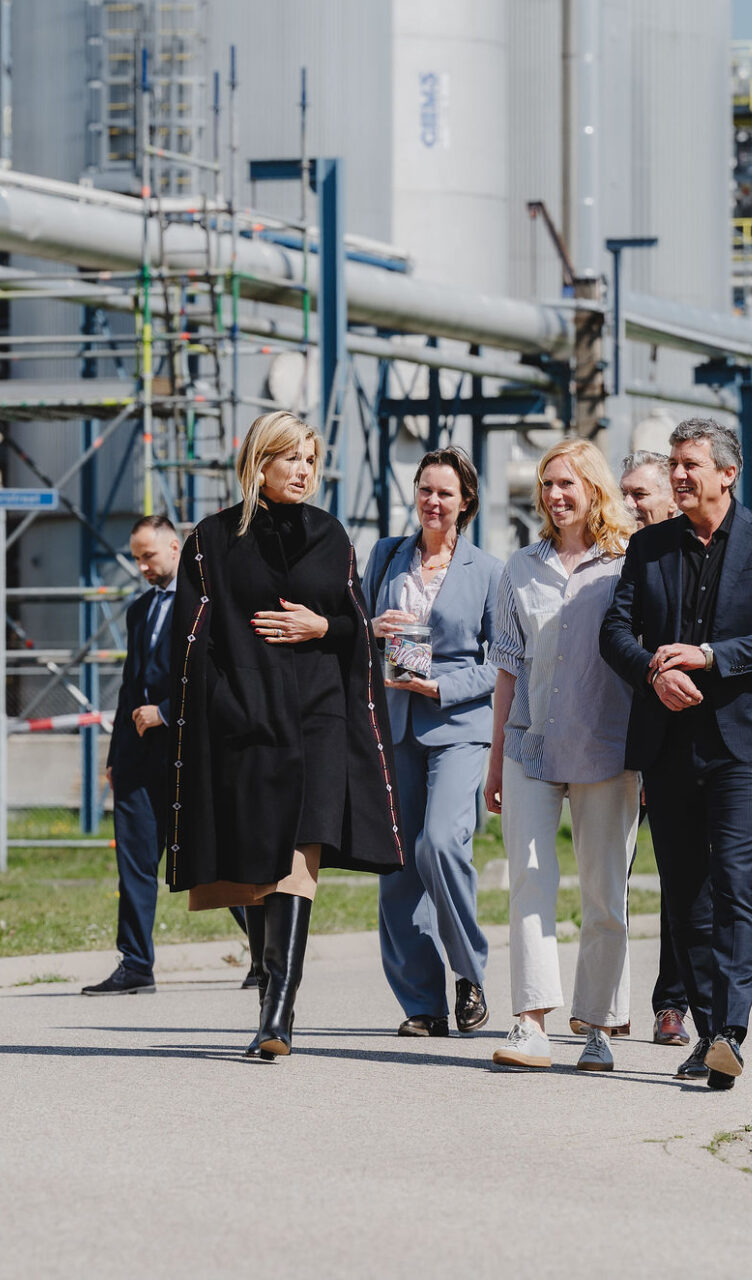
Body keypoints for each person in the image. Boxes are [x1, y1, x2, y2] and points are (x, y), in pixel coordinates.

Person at [165, 410, 403, 1059]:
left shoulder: (330, 534)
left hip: (320, 718)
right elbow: (191, 638)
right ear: (259, 461)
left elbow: (357, 624)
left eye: (311, 459)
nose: (303, 470)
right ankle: (269, 986)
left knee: (299, 858)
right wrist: (221, 705)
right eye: (291, 457)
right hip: (246, 720)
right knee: (258, 865)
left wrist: (323, 627)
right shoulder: (211, 540)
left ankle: (278, 1014)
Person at [600, 417, 752, 1091]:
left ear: (728, 472)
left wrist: (712, 656)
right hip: (668, 745)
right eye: (674, 464)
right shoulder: (650, 547)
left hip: (743, 746)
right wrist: (653, 672)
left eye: (690, 464)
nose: (679, 475)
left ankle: (730, 1032)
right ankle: (708, 1031)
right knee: (684, 889)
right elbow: (615, 631)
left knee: (734, 883)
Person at [485, 438, 640, 1073]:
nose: (554, 495)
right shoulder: (520, 568)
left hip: (608, 746)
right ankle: (530, 1024)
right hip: (531, 743)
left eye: (566, 483)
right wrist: (495, 758)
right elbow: (507, 669)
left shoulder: (627, 563)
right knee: (529, 880)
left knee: (604, 890)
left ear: (594, 488)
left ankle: (598, 1025)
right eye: (547, 484)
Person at [364, 449, 503, 1038]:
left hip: (458, 726)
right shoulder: (386, 556)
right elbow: (354, 626)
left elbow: (502, 662)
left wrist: (442, 685)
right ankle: (422, 1004)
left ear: (465, 501)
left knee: (441, 843)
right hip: (395, 724)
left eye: (445, 492)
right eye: (425, 489)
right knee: (398, 865)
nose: (433, 501)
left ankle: (469, 970)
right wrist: (371, 629)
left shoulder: (488, 570)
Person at [84, 515, 183, 996]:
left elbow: (214, 677)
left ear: (175, 547)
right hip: (137, 758)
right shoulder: (141, 609)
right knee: (135, 863)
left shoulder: (203, 605)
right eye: (137, 558)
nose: (142, 566)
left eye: (149, 556)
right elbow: (130, 686)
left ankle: (262, 955)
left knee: (208, 862)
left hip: (185, 754)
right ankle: (137, 963)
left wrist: (165, 713)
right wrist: (115, 754)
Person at [616, 450, 692, 1050]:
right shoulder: (609, 553)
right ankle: (606, 999)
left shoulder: (681, 558)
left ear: (671, 496)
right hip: (606, 736)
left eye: (639, 494)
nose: (629, 505)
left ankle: (672, 1002)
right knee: (609, 873)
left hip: (664, 732)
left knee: (678, 875)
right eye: (623, 493)